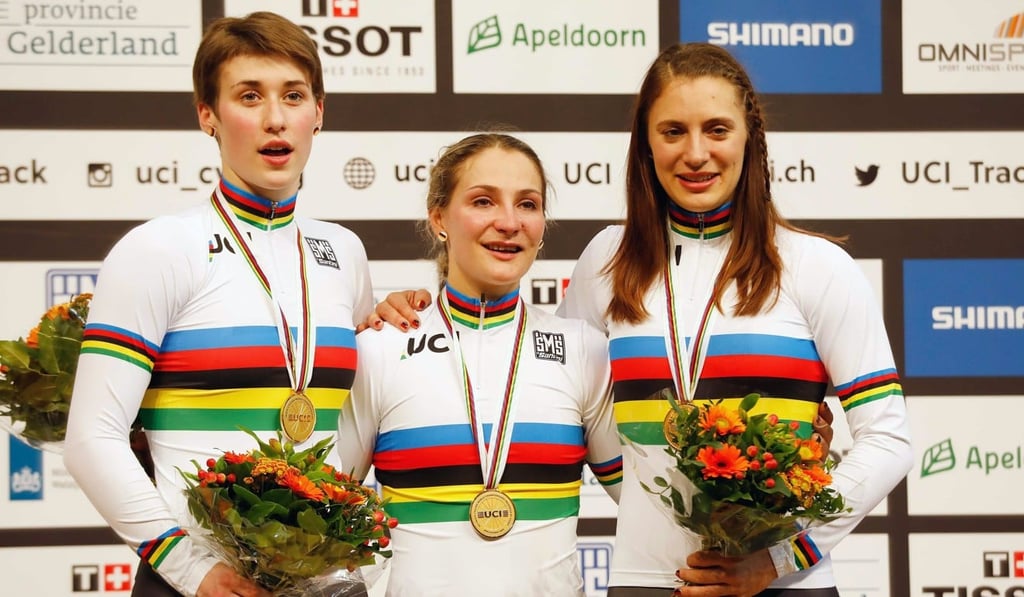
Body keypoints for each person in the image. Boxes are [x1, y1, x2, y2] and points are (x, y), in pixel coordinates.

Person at [368, 42, 911, 597]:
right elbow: (540, 389)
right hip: (646, 580)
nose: (695, 153)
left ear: (751, 136)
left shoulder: (814, 265)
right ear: (646, 144)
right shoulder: (606, 260)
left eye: (717, 130)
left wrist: (779, 557)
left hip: (783, 582)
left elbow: (889, 439)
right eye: (673, 131)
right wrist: (423, 312)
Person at [63, 12, 373, 597]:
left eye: (294, 95)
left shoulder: (344, 252)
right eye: (249, 96)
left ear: (320, 112)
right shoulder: (158, 248)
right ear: (207, 115)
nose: (276, 119)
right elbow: (92, 437)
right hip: (199, 585)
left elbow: (357, 420)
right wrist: (190, 569)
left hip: (328, 584)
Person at [337, 132, 624, 596]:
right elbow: (322, 510)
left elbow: (647, 508)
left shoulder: (585, 351)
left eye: (527, 204)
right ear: (439, 218)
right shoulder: (380, 348)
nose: (509, 222)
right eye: (484, 201)